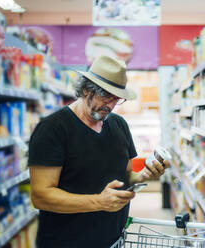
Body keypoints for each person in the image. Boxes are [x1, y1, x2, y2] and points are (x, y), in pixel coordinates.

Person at [28, 55, 170, 248]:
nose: (110, 105)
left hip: (113, 241)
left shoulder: (119, 124)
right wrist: (98, 202)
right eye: (106, 96)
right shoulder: (53, 129)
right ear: (86, 89)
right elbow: (40, 196)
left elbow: (127, 174)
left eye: (116, 99)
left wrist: (145, 174)